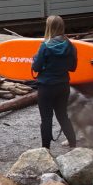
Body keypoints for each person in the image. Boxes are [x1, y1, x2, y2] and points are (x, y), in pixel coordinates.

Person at [30, 15, 78, 151]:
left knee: (46, 118)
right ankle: (73, 143)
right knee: (63, 115)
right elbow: (72, 67)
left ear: (49, 27)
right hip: (63, 85)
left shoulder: (45, 46)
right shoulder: (70, 45)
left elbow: (36, 67)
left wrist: (36, 60)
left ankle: (46, 149)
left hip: (46, 86)